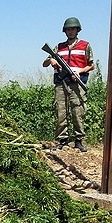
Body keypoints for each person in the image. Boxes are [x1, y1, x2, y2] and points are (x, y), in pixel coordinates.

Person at [42, 17, 94, 152]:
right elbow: (45, 63)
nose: (70, 32)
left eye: (73, 29)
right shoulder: (59, 47)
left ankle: (79, 140)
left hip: (77, 82)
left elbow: (91, 65)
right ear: (65, 31)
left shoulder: (85, 46)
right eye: (68, 29)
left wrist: (80, 71)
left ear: (78, 30)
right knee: (61, 111)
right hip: (61, 83)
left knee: (78, 111)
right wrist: (52, 60)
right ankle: (62, 140)